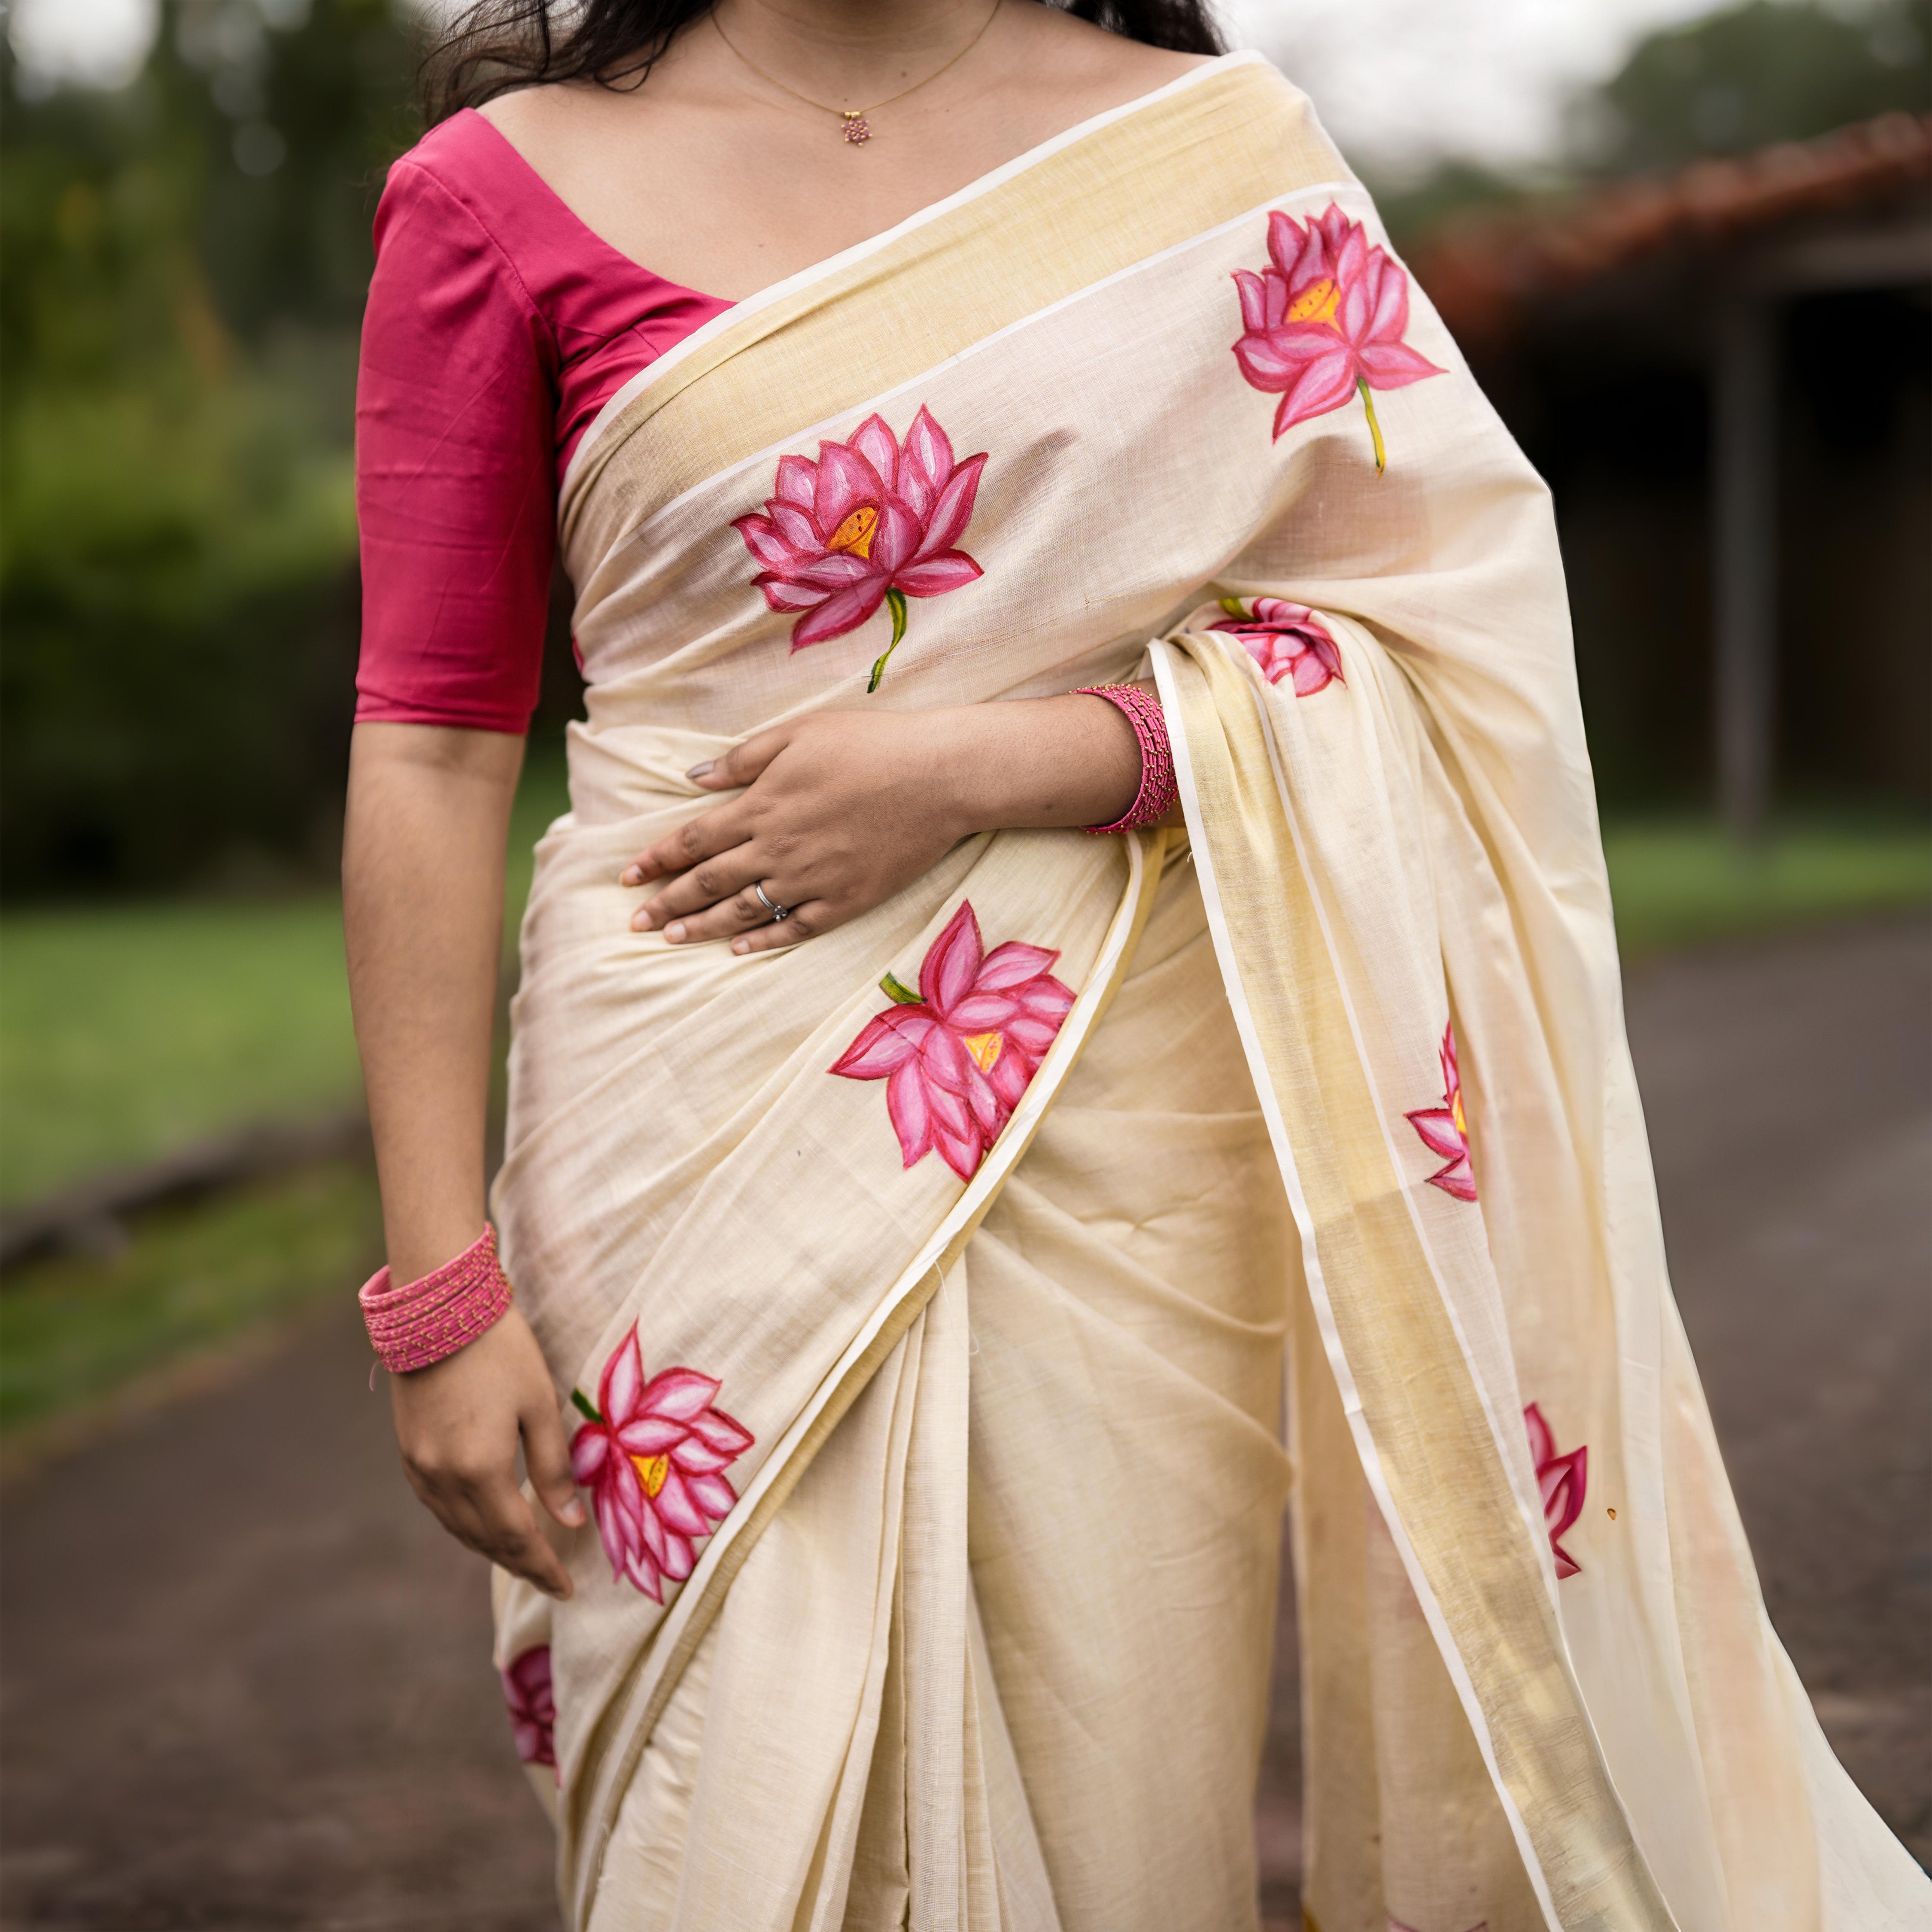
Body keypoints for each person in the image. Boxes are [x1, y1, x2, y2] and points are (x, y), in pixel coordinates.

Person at [341, 3, 1932, 1927]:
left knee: (1105, 1786)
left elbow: (1442, 642)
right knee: (714, 1808)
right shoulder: (495, 196)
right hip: (684, 1112)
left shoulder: (1211, 166)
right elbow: (429, 745)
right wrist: (437, 1287)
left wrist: (988, 761)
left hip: (1123, 1104)